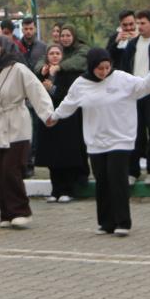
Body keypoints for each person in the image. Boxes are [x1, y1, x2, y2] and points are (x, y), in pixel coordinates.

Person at [49, 48, 150, 236]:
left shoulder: (121, 78)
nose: (103, 72)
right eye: (99, 69)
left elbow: (144, 86)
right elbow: (69, 102)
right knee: (102, 181)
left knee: (117, 179)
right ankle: (106, 223)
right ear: (91, 67)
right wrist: (55, 116)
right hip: (95, 141)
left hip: (120, 139)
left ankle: (123, 222)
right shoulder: (81, 84)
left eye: (106, 68)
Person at [0, 35, 54, 228]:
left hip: (18, 124)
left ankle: (22, 211)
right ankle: (6, 213)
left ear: (5, 48)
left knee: (11, 170)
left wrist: (47, 114)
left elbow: (36, 91)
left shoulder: (19, 70)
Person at [111, 9, 150, 182]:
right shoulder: (132, 44)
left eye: (143, 23)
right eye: (138, 23)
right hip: (134, 93)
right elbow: (124, 67)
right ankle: (133, 171)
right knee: (134, 132)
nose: (140, 26)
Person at [38, 27, 90, 202]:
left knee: (67, 155)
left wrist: (52, 89)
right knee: (53, 158)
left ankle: (68, 190)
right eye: (51, 53)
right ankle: (56, 190)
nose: (54, 56)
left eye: (57, 54)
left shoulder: (68, 73)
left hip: (67, 120)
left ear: (62, 56)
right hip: (50, 119)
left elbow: (70, 95)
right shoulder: (43, 73)